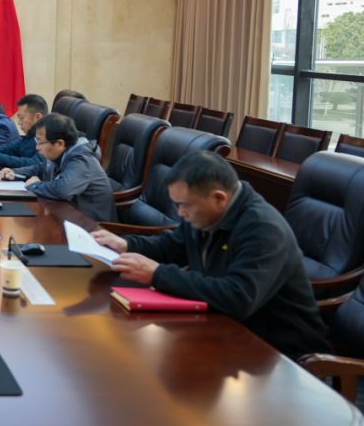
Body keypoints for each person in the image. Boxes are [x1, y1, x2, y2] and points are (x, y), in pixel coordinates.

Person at [91, 151, 327, 360]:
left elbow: (238, 297)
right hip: (229, 331)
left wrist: (157, 275)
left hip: (282, 354)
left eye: (186, 205)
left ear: (219, 198)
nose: (180, 213)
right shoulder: (206, 214)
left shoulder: (263, 228)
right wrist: (126, 244)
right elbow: (172, 247)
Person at [0, 113, 114, 221]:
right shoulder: (60, 154)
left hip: (93, 226)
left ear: (60, 144)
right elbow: (40, 168)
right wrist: (14, 173)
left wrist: (34, 185)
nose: (37, 147)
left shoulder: (81, 159)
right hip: (68, 216)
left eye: (40, 142)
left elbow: (63, 189)